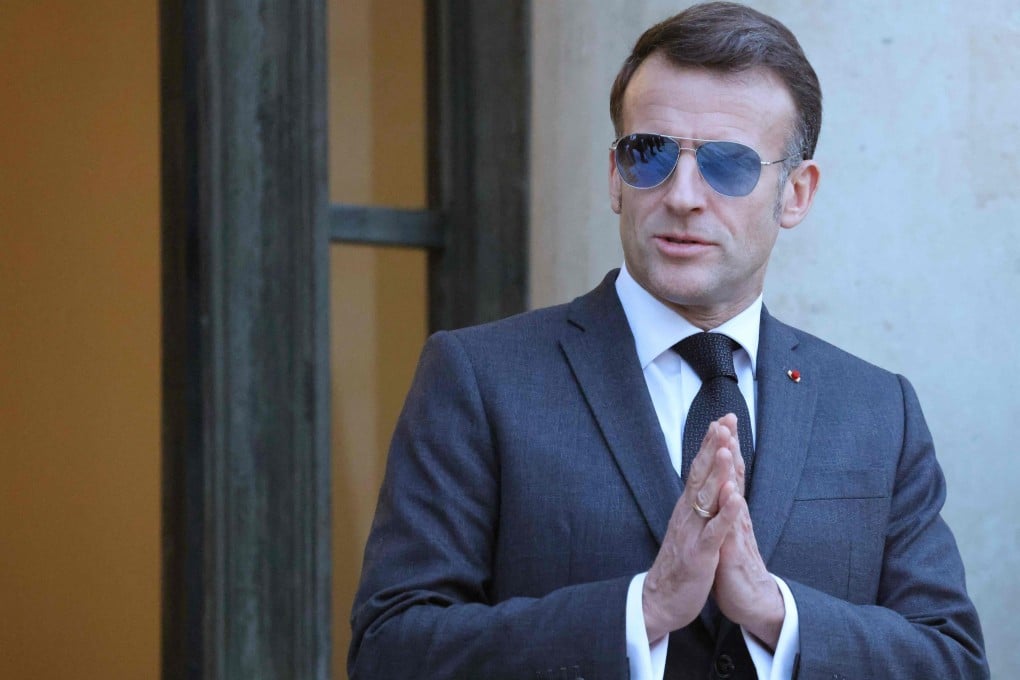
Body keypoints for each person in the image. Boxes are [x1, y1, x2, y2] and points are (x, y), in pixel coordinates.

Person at [348, 3, 988, 679]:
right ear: (614, 177)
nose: (682, 195)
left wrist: (778, 615)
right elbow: (391, 650)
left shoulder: (878, 411)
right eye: (648, 154)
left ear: (796, 193)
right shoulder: (480, 379)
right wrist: (640, 611)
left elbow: (950, 660)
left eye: (728, 165)